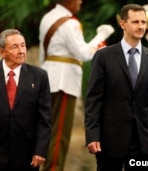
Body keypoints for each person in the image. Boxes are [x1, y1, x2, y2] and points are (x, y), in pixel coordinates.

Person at [84, 4, 148, 171]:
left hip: (142, 141)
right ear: (122, 24)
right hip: (110, 139)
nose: (141, 26)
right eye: (135, 22)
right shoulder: (103, 56)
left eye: (143, 21)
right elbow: (93, 99)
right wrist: (92, 136)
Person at [38, 0, 114, 171]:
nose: (81, 1)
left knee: (48, 131)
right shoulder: (70, 23)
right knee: (59, 134)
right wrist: (101, 36)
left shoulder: (48, 17)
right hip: (64, 82)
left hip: (50, 78)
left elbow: (44, 53)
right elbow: (84, 53)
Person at [0, 29, 52, 171]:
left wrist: (41, 150)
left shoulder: (39, 76)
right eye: (15, 47)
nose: (21, 51)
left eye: (23, 45)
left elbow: (45, 119)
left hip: (28, 156)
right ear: (2, 52)